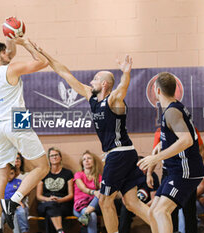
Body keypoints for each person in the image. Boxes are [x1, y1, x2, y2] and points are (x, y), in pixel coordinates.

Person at [31, 43, 151, 233]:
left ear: (104, 84)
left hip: (119, 153)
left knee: (104, 200)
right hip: (123, 154)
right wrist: (44, 53)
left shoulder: (113, 100)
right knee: (131, 203)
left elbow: (122, 88)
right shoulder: (91, 97)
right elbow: (65, 73)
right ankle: (163, 226)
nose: (91, 81)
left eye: (95, 79)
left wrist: (126, 73)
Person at [0, 35, 50, 233]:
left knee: (0, 177)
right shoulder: (11, 69)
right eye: (3, 53)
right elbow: (42, 62)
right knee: (42, 167)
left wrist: (9, 37)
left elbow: (9, 54)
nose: (8, 54)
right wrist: (27, 44)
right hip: (17, 118)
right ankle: (13, 202)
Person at [137, 72, 204, 233]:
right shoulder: (173, 108)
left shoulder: (171, 112)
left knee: (162, 211)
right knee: (153, 211)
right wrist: (161, 144)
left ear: (157, 91)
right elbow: (177, 136)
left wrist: (156, 158)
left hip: (185, 171)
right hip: (176, 171)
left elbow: (186, 140)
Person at [153, 126, 204, 233]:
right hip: (168, 172)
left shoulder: (190, 129)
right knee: (164, 211)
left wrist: (195, 165)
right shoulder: (159, 131)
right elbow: (154, 153)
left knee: (189, 209)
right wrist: (149, 173)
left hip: (185, 172)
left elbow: (202, 149)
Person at [0, 156, 30, 233]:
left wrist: (18, 201)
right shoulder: (2, 181)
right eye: (8, 173)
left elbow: (25, 192)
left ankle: (23, 231)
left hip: (17, 204)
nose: (10, 176)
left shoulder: (20, 180)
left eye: (12, 173)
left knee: (20, 213)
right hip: (3, 203)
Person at [118, 156, 159, 233]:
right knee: (121, 206)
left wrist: (141, 208)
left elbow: (154, 200)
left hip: (145, 204)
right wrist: (132, 206)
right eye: (139, 165)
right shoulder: (130, 177)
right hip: (130, 203)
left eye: (144, 165)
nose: (142, 167)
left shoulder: (151, 176)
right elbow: (125, 197)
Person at [36, 147, 74, 233]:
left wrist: (60, 200)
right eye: (52, 156)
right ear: (49, 159)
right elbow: (38, 196)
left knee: (50, 214)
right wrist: (48, 199)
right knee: (50, 206)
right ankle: (60, 230)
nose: (54, 157)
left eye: (56, 155)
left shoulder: (68, 173)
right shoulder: (43, 173)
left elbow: (71, 195)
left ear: (60, 157)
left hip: (63, 204)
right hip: (45, 203)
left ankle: (60, 231)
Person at [73, 151, 101, 233]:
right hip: (80, 206)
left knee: (101, 192)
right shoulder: (78, 175)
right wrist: (94, 192)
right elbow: (83, 189)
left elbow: (102, 190)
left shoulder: (98, 177)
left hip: (93, 204)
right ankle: (87, 213)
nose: (87, 161)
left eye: (89, 158)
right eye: (84, 159)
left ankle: (87, 213)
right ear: (82, 163)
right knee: (92, 215)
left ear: (93, 161)